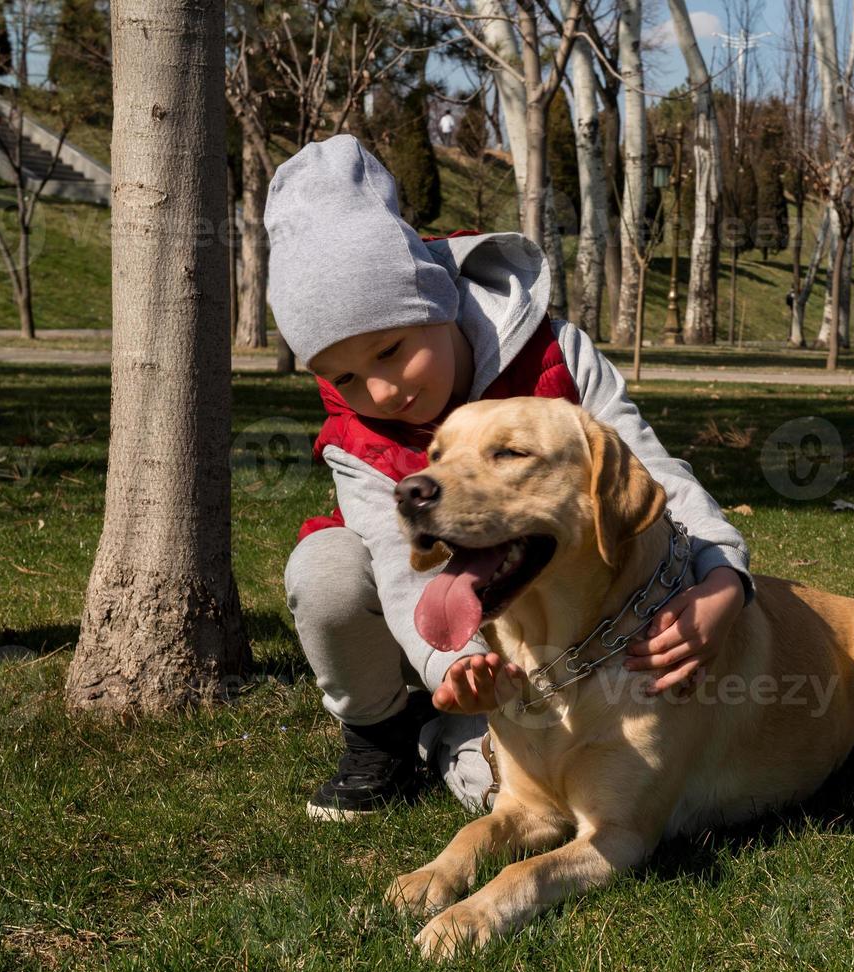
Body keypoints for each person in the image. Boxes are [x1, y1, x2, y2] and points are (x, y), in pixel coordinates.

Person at [266, 134, 756, 821]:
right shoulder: (356, 437)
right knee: (325, 571)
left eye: (392, 349)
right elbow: (398, 566)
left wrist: (722, 577)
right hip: (432, 610)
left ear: (436, 305)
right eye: (344, 377)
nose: (379, 390)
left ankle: (494, 719)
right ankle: (379, 734)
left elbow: (649, 472)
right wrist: (452, 666)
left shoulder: (556, 353)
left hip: (565, 614)